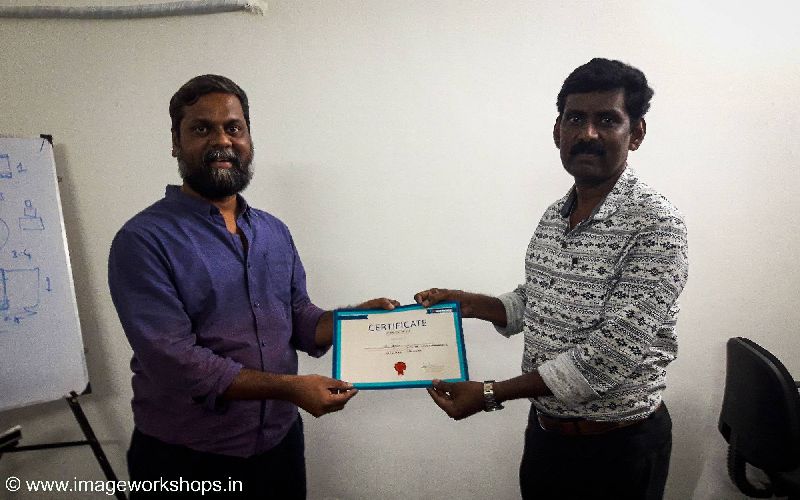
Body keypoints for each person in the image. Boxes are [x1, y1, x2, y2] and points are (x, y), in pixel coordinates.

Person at [108, 74, 398, 498]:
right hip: (185, 457)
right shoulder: (143, 240)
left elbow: (299, 318)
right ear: (175, 142)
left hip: (279, 448)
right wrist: (290, 388)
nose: (222, 141)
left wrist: (354, 322)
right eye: (202, 129)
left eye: (234, 127)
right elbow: (175, 361)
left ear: (248, 137)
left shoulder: (273, 232)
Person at [415, 58, 688, 500]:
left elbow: (611, 354)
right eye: (575, 119)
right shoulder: (555, 215)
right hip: (547, 436)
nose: (588, 133)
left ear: (636, 133)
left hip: (618, 448)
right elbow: (540, 297)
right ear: (557, 131)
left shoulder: (656, 223)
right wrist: (471, 304)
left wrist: (491, 393)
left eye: (607, 120)